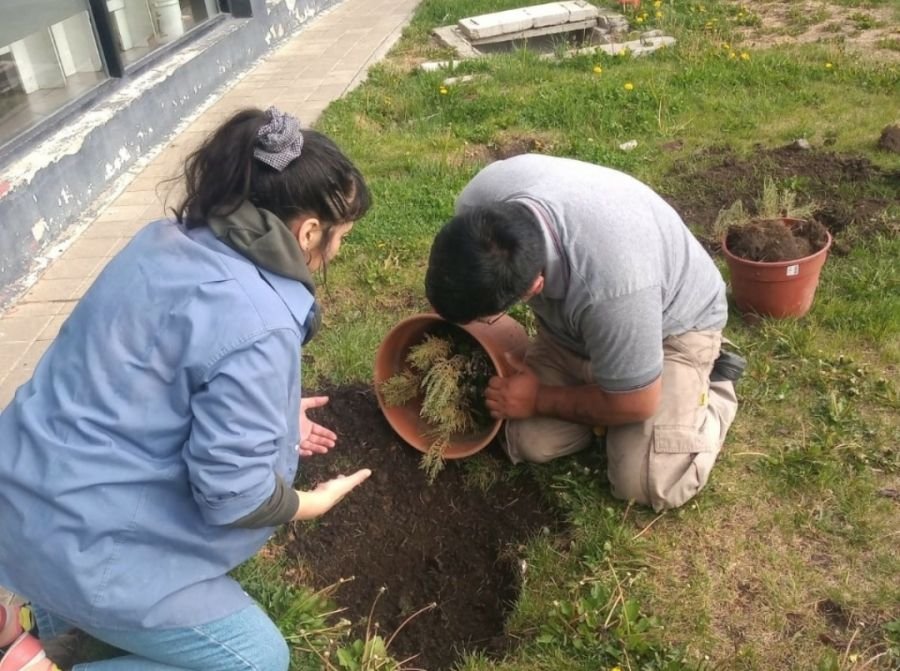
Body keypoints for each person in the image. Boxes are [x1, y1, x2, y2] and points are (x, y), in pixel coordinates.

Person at [0, 107, 372, 671]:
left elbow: (147, 374)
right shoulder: (261, 322)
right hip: (85, 543)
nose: (339, 251)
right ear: (308, 231)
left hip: (19, 488)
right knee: (257, 661)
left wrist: (271, 407)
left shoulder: (160, 243)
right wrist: (311, 503)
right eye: (341, 236)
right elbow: (234, 494)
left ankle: (38, 627)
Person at [425, 154, 745, 512]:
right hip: (575, 328)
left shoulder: (614, 288)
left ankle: (712, 382)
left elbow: (637, 403)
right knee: (527, 440)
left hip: (670, 330)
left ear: (534, 287)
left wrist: (537, 399)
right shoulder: (478, 203)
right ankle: (611, 399)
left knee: (647, 480)